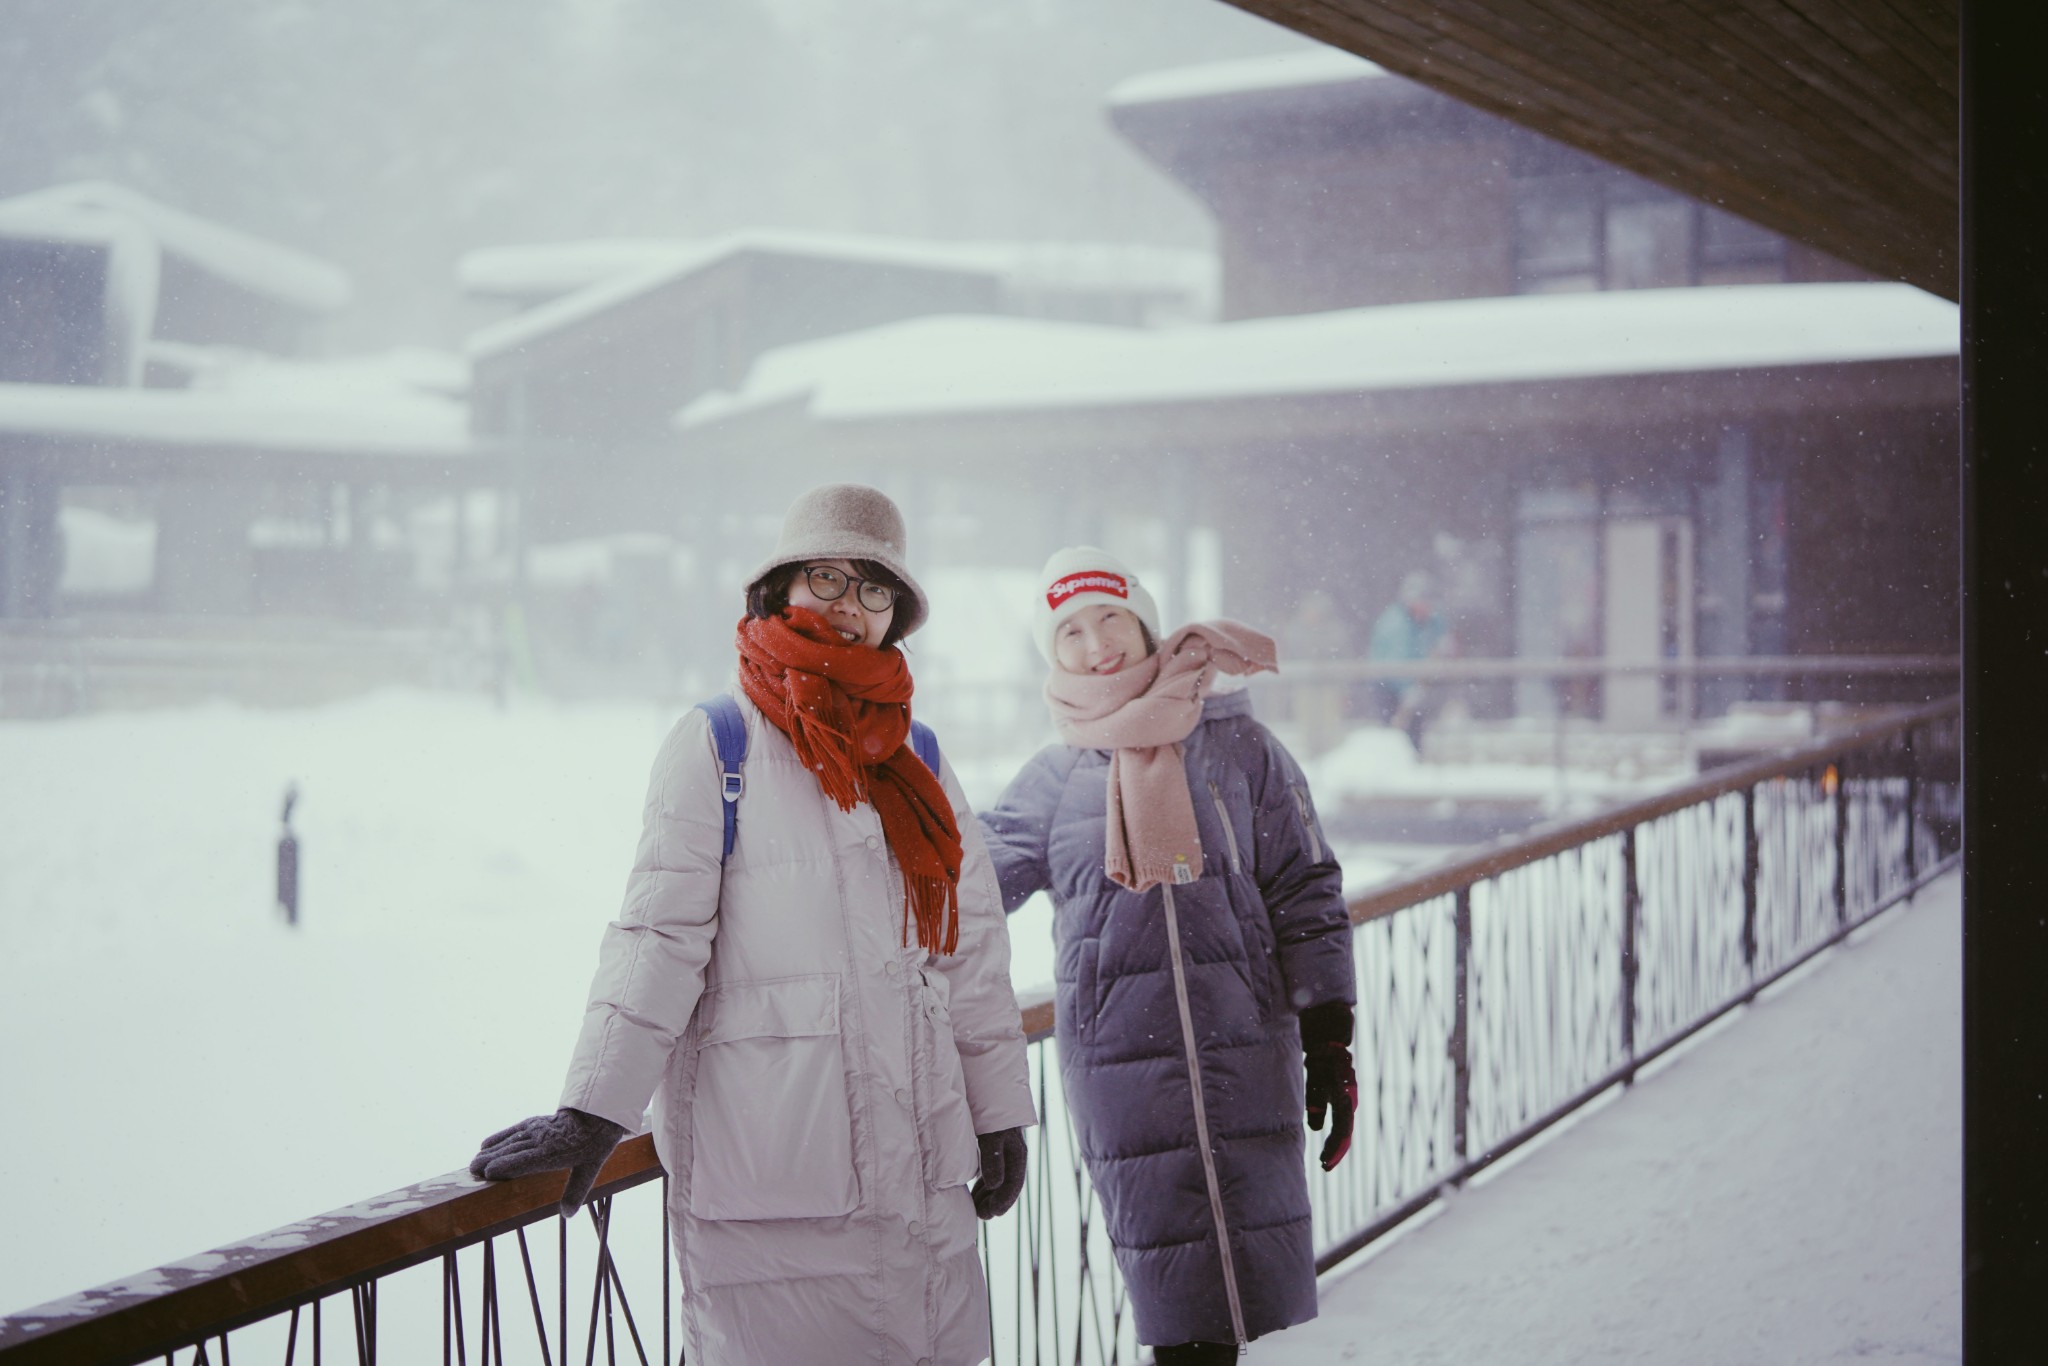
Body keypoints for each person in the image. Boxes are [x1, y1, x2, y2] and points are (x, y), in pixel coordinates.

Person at [468, 484, 1036, 1366]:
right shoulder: (716, 744)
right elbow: (660, 937)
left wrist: (999, 1112)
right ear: (779, 590)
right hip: (779, 1179)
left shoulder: (917, 756)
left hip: (924, 1192)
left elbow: (968, 947)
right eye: (828, 577)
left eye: (874, 588)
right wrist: (594, 1109)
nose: (850, 606)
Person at [976, 547, 1358, 1365]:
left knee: (1235, 1300)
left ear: (1144, 619)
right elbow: (963, 890)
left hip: (1245, 1050)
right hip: (1124, 1073)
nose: (1094, 642)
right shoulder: (1051, 780)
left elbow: (1304, 885)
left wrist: (1329, 1029)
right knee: (1177, 1309)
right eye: (1068, 630)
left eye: (1109, 616)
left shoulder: (1238, 748)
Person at [1367, 569, 1452, 750]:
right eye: (1423, 602)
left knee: (1415, 729)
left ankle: (1413, 760)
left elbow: (1441, 636)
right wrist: (1408, 689)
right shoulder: (1395, 623)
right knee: (1395, 732)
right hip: (1388, 686)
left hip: (1416, 684)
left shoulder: (1431, 619)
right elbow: (1394, 662)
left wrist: (1444, 644)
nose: (1427, 607)